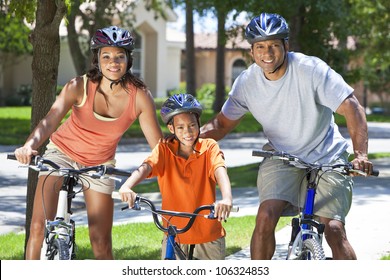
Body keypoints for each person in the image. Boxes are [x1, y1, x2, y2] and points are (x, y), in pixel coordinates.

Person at [200, 12, 374, 260]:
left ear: (286, 46)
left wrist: (360, 155)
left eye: (273, 45)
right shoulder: (247, 82)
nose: (267, 53)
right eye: (260, 46)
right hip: (282, 156)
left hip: (328, 155)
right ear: (251, 51)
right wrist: (186, 143)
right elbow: (222, 123)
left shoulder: (310, 69)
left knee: (334, 229)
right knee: (265, 217)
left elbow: (352, 107)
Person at [14, 26, 163, 260]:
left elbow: (159, 148)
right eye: (106, 56)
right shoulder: (78, 86)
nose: (113, 63)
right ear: (97, 59)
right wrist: (28, 145)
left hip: (99, 163)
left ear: (128, 59)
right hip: (60, 154)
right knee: (37, 228)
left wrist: (167, 171)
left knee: (101, 241)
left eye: (119, 56)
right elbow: (50, 120)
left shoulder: (139, 95)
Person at [119, 93, 233, 260]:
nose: (187, 132)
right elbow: (146, 166)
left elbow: (220, 169)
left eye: (192, 125)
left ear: (199, 124)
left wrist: (227, 198)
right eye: (180, 127)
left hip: (208, 235)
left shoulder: (209, 147)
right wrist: (127, 186)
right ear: (171, 129)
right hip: (174, 234)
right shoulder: (164, 149)